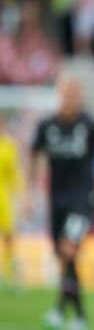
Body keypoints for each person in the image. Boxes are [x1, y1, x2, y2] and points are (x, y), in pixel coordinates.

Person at [30, 73, 94, 330]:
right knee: (64, 258)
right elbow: (34, 156)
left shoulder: (89, 124)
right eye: (66, 94)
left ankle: (75, 317)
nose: (70, 99)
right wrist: (30, 191)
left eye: (74, 94)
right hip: (56, 200)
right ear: (60, 95)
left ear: (80, 97)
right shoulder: (47, 126)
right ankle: (67, 313)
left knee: (68, 249)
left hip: (82, 199)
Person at [0, 114, 25, 290]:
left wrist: (22, 195)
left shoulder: (9, 146)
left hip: (4, 196)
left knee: (8, 235)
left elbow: (15, 173)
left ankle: (8, 273)